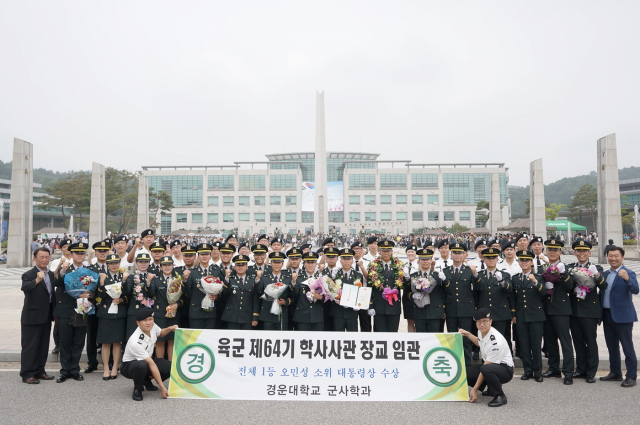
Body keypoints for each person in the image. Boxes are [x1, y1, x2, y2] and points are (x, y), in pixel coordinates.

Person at [568, 239, 607, 383]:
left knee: (590, 342)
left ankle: (591, 372)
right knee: (577, 342)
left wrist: (596, 275)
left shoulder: (595, 267)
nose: (581, 253)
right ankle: (580, 369)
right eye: (579, 251)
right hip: (574, 310)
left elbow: (603, 286)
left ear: (589, 252)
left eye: (584, 251)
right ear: (575, 253)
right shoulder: (570, 267)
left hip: (590, 311)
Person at [600, 246, 638, 387]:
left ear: (622, 257)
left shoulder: (628, 272)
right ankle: (615, 372)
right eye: (610, 255)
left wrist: (627, 278)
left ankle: (631, 375)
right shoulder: (605, 274)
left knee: (627, 347)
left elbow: (635, 289)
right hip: (607, 314)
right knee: (612, 347)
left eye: (616, 256)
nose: (613, 258)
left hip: (623, 316)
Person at [460, 308, 514, 408]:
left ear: (490, 321)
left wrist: (474, 389)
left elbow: (486, 366)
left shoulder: (496, 342)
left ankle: (500, 396)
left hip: (505, 370)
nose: (482, 324)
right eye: (479, 322)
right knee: (465, 372)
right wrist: (467, 334)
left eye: (485, 321)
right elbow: (479, 343)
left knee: (485, 369)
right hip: (493, 366)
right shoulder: (481, 331)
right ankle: (491, 388)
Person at [53, 242, 91, 383]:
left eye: (82, 253)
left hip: (81, 309)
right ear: (72, 254)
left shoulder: (89, 270)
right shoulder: (66, 269)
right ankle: (64, 371)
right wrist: (62, 271)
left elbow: (94, 289)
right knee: (65, 341)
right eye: (77, 253)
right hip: (65, 310)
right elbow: (56, 283)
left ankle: (74, 370)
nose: (80, 256)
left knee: (78, 342)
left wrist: (89, 294)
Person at [120, 308, 178, 401]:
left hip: (146, 361)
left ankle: (146, 380)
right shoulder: (136, 341)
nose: (148, 322)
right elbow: (151, 364)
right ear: (138, 323)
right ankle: (137, 390)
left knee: (170, 366)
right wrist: (162, 388)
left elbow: (160, 333)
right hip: (129, 366)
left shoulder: (152, 326)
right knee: (142, 365)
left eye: (150, 319)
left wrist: (169, 328)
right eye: (144, 320)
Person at [20, 247, 56, 384]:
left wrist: (54, 313)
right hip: (32, 317)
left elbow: (52, 295)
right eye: (41, 257)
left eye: (47, 257)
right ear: (34, 258)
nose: (44, 260)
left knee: (43, 345)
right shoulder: (29, 274)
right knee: (30, 346)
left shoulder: (51, 274)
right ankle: (27, 373)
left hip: (46, 316)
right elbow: (25, 288)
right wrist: (36, 280)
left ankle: (40, 371)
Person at [541, 238, 575, 385]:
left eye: (555, 250)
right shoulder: (543, 267)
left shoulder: (565, 268)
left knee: (565, 341)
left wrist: (563, 274)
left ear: (560, 252)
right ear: (546, 251)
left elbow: (570, 286)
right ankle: (553, 368)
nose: (552, 252)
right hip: (547, 309)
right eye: (550, 250)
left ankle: (568, 372)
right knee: (550, 341)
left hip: (561, 310)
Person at [510, 250, 545, 382]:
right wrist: (513, 314)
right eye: (522, 260)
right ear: (519, 262)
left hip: (536, 316)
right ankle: (527, 371)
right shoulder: (515, 278)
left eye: (527, 260)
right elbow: (513, 298)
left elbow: (544, 293)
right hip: (521, 316)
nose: (524, 263)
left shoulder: (539, 277)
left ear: (531, 262)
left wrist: (535, 281)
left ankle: (538, 372)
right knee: (524, 345)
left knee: (535, 345)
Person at [442, 243, 478, 364]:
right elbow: (442, 293)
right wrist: (444, 309)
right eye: (455, 253)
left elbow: (477, 288)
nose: (457, 255)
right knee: (452, 338)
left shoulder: (469, 271)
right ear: (451, 254)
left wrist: (475, 275)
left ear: (464, 255)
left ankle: (467, 365)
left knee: (466, 338)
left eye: (460, 253)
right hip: (451, 309)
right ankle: (454, 363)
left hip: (466, 310)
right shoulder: (445, 271)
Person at [95, 254, 127, 380]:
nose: (114, 266)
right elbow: (98, 297)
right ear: (107, 265)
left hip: (119, 313)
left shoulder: (123, 276)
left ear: (119, 264)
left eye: (116, 263)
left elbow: (128, 294)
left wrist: (122, 300)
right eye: (111, 263)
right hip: (106, 313)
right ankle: (106, 368)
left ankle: (114, 367)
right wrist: (102, 283)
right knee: (106, 342)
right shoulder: (103, 276)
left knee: (117, 342)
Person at [367, 240, 403, 333]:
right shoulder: (373, 266)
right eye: (383, 250)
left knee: (393, 334)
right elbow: (369, 287)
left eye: (388, 250)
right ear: (379, 251)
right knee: (379, 335)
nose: (386, 253)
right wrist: (370, 305)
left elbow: (403, 284)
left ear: (392, 251)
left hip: (394, 307)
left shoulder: (399, 266)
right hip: (379, 307)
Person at [410, 248, 446, 332]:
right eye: (423, 259)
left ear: (431, 260)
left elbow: (444, 292)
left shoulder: (438, 276)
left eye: (427, 259)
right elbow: (407, 293)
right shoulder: (414, 276)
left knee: (434, 339)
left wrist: (445, 281)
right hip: (419, 312)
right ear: (419, 260)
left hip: (435, 312)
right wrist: (412, 295)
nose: (425, 262)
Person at [221, 254, 259, 330]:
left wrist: (255, 316)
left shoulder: (252, 280)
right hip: (232, 316)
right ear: (234, 267)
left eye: (243, 265)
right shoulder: (230, 280)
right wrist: (226, 279)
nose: (240, 267)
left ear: (247, 267)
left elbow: (255, 299)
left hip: (247, 316)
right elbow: (224, 295)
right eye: (238, 265)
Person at [330, 248, 363, 332]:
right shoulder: (334, 275)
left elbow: (361, 293)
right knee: (337, 339)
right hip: (338, 312)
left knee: (352, 339)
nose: (346, 261)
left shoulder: (358, 276)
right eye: (344, 259)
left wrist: (358, 304)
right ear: (340, 260)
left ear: (352, 260)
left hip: (352, 313)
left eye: (349, 259)